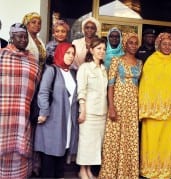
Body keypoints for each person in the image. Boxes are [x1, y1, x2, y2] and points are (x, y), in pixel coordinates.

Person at [139, 32, 171, 178]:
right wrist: (147, 108)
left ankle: (167, 171)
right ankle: (150, 171)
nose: (167, 46)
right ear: (158, 45)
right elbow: (144, 86)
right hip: (152, 113)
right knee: (152, 142)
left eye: (169, 44)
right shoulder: (151, 61)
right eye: (164, 44)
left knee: (168, 143)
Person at [99, 32, 142, 179]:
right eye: (131, 42)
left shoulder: (140, 63)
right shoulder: (116, 61)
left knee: (130, 139)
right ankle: (110, 173)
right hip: (118, 103)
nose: (134, 46)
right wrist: (111, 106)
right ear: (125, 44)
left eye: (136, 43)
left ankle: (127, 174)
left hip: (133, 106)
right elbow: (110, 86)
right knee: (114, 138)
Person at [0, 23, 40, 178]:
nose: (23, 39)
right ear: (12, 37)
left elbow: (35, 84)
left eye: (25, 37)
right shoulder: (2, 55)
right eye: (19, 36)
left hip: (23, 113)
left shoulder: (32, 60)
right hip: (3, 114)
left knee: (20, 150)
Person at [34, 42, 79, 178]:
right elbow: (43, 92)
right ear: (60, 53)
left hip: (67, 120)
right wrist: (43, 112)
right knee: (49, 154)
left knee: (62, 152)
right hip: (52, 119)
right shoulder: (51, 70)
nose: (71, 56)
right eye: (67, 53)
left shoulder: (72, 73)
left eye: (72, 53)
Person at [76, 37, 108, 179]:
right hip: (88, 112)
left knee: (95, 144)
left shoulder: (103, 69)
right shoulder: (85, 68)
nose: (102, 51)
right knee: (86, 143)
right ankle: (82, 170)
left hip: (102, 112)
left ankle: (89, 170)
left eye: (103, 49)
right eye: (99, 48)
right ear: (91, 50)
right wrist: (82, 109)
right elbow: (81, 90)